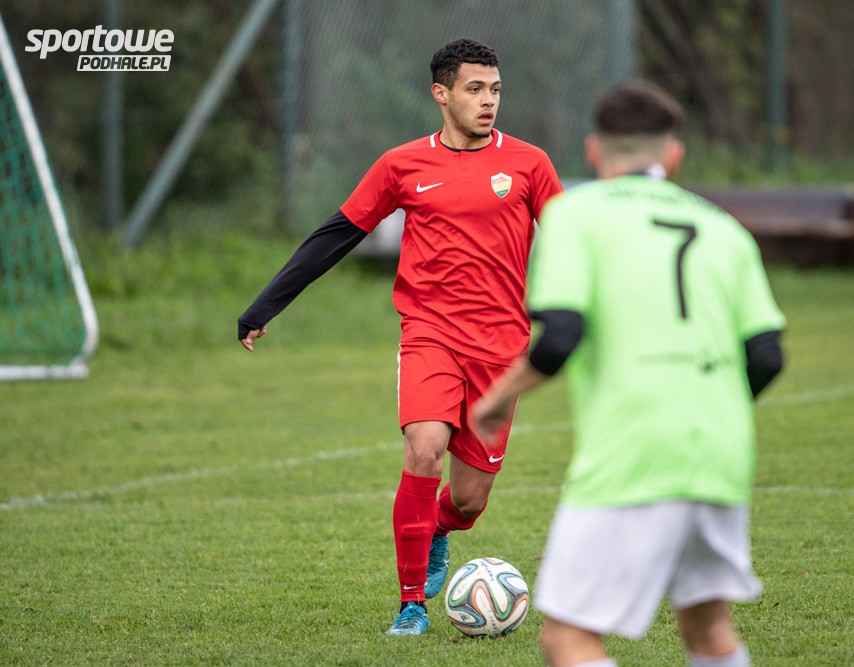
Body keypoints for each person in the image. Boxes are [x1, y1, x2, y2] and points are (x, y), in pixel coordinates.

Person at [237, 38, 562, 636]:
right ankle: (411, 604)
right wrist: (266, 305)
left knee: (469, 501)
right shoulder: (402, 165)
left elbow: (573, 242)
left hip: (501, 347)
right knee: (423, 449)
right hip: (429, 334)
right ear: (441, 94)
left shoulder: (529, 164)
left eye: (494, 90)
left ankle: (438, 527)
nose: (488, 101)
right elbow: (338, 233)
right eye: (474, 89)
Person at [472, 80, 785, 667]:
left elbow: (560, 336)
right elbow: (768, 355)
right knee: (707, 626)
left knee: (568, 638)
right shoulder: (723, 227)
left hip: (633, 453)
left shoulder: (576, 215)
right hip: (720, 453)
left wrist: (495, 399)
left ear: (594, 151)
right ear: (674, 155)